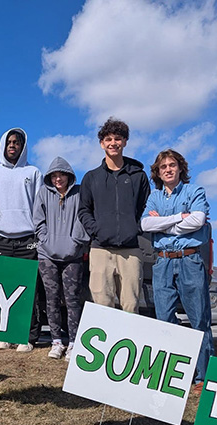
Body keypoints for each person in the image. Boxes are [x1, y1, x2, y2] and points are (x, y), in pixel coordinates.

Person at [141, 149, 213, 393]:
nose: (168, 170)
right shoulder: (153, 197)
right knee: (164, 319)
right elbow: (145, 224)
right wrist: (177, 218)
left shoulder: (195, 191)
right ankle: (174, 374)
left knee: (198, 318)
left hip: (189, 260)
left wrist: (163, 223)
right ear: (158, 173)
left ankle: (202, 376)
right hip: (162, 262)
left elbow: (198, 221)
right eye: (163, 167)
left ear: (180, 168)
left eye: (172, 165)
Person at [77, 118, 150, 314]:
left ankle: (129, 343)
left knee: (131, 306)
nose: (113, 143)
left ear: (125, 142)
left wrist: (135, 228)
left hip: (131, 250)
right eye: (108, 139)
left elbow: (146, 207)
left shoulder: (138, 176)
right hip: (101, 250)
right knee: (102, 306)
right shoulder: (91, 177)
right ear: (102, 144)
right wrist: (96, 230)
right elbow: (83, 210)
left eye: (118, 138)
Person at [0, 128, 43, 352]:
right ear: (3, 144)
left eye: (17, 142)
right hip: (0, 239)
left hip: (27, 238)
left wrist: (37, 233)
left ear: (23, 146)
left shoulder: (34, 172)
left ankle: (27, 337)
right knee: (0, 288)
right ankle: (3, 335)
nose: (12, 145)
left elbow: (39, 206)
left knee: (29, 289)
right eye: (9, 142)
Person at [33, 157, 89, 361]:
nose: (58, 178)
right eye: (54, 175)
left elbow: (84, 218)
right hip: (47, 254)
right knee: (51, 299)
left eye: (61, 174)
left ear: (69, 176)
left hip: (73, 255)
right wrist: (45, 240)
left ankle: (74, 342)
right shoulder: (42, 193)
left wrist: (76, 240)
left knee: (73, 299)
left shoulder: (80, 192)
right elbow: (38, 221)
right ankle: (56, 341)